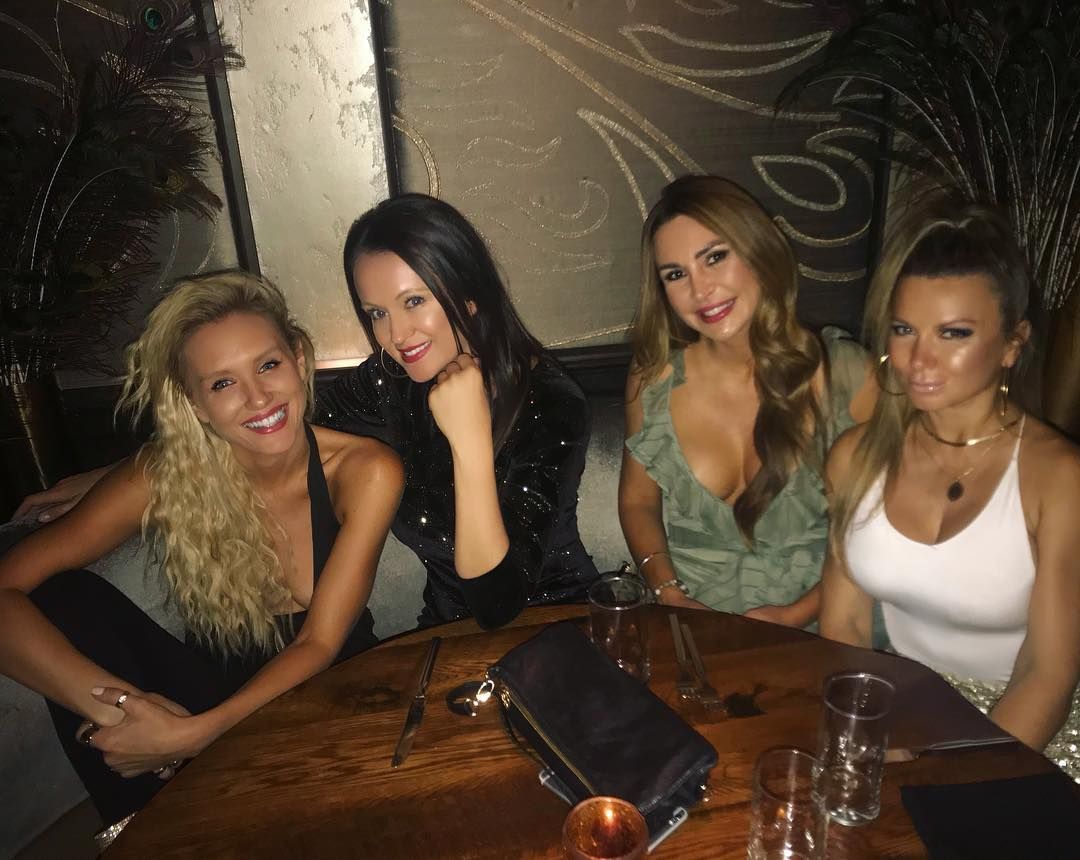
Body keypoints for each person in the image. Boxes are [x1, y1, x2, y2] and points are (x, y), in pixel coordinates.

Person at [0, 271, 403, 825]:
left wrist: (191, 736)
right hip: (206, 699)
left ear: (299, 359)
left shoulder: (365, 470)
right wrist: (128, 715)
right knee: (64, 598)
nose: (258, 397)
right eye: (222, 383)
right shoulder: (165, 476)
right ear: (194, 404)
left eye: (268, 365)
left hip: (331, 705)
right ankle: (141, 829)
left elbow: (318, 643)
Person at [820, 199, 1080, 776]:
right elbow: (846, 628)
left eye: (953, 333)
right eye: (904, 329)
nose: (919, 359)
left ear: (1012, 344)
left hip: (1031, 728)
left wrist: (952, 774)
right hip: (906, 706)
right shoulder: (854, 458)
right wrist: (876, 732)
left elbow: (1048, 672)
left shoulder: (1059, 477)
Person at [316, 193, 598, 627]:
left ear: (468, 293)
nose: (396, 335)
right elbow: (298, 438)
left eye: (414, 301)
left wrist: (469, 439)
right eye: (377, 313)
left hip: (555, 628)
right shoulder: (389, 379)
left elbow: (497, 606)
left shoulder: (550, 403)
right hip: (445, 637)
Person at [619, 175, 876, 626]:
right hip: (694, 631)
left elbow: (883, 527)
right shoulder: (653, 379)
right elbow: (637, 501)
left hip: (825, 628)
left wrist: (796, 615)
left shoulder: (849, 375)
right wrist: (667, 592)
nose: (700, 290)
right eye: (676, 274)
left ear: (759, 249)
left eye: (715, 257)